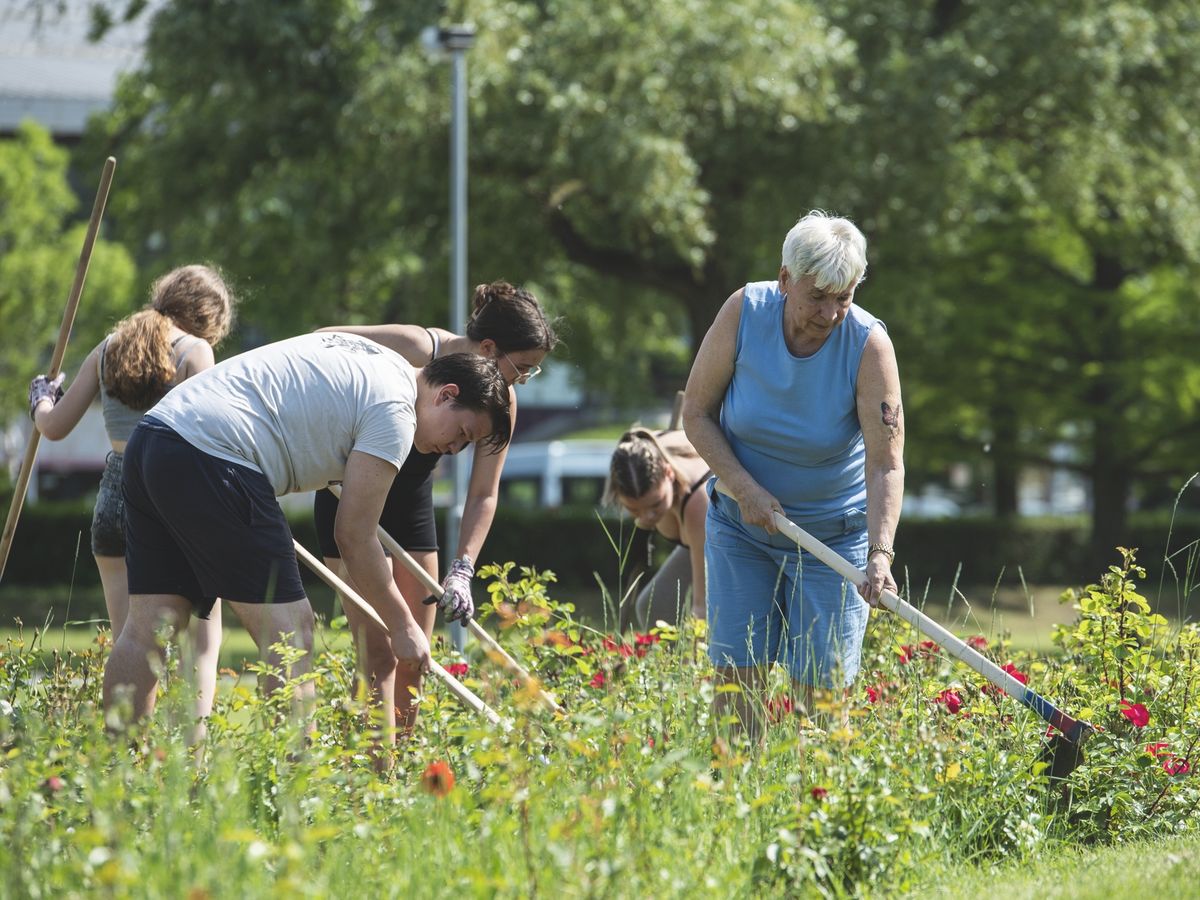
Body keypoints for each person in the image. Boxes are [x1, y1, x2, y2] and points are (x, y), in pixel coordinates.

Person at [100, 334, 512, 731]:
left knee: (149, 627)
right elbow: (354, 535)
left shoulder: (378, 360)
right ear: (446, 394)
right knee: (291, 634)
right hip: (215, 453)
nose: (455, 449)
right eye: (462, 434)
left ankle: (119, 779)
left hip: (154, 438)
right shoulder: (397, 413)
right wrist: (403, 629)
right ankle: (292, 793)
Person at [682, 210, 904, 739]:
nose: (830, 313)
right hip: (742, 527)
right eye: (817, 297)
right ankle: (736, 803)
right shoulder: (744, 312)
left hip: (833, 539)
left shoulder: (869, 345)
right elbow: (695, 414)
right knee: (739, 684)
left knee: (821, 699)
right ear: (785, 279)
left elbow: (886, 462)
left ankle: (819, 811)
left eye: (843, 297)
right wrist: (744, 488)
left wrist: (880, 551)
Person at [313, 280, 558, 739]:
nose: (522, 380)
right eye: (522, 368)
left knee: (416, 658)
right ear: (488, 348)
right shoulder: (415, 346)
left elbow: (484, 492)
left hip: (410, 507)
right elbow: (320, 341)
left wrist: (463, 568)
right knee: (379, 655)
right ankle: (365, 778)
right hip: (347, 497)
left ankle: (402, 777)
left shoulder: (501, 400)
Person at [28, 264, 236, 720]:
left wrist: (42, 396)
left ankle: (127, 762)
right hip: (172, 500)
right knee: (200, 645)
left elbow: (53, 427)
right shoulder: (196, 352)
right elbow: (211, 436)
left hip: (114, 498)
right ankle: (191, 764)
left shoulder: (108, 349)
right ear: (207, 317)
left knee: (132, 643)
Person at [605, 427, 710, 631]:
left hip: (743, 546)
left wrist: (696, 659)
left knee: (705, 616)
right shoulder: (639, 456)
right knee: (654, 606)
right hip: (697, 541)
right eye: (633, 509)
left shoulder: (699, 505)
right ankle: (668, 660)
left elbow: (702, 605)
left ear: (669, 474)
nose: (646, 518)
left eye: (655, 505)